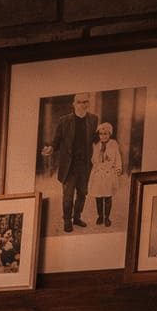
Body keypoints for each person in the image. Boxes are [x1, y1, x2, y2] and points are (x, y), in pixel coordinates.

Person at [41, 92, 99, 233]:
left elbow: (95, 139)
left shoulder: (93, 119)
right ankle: (67, 221)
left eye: (85, 102)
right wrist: (51, 148)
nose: (82, 104)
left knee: (82, 194)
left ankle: (77, 218)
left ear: (88, 103)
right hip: (69, 166)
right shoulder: (64, 120)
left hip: (85, 165)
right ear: (74, 104)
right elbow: (57, 140)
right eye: (79, 102)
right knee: (67, 197)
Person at [89, 121, 124, 227]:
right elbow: (93, 160)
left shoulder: (113, 144)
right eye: (101, 134)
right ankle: (100, 216)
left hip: (109, 173)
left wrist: (118, 168)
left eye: (105, 134)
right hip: (99, 173)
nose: (103, 136)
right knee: (98, 196)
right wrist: (98, 157)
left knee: (107, 196)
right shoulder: (97, 145)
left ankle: (107, 217)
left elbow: (117, 157)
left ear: (109, 134)